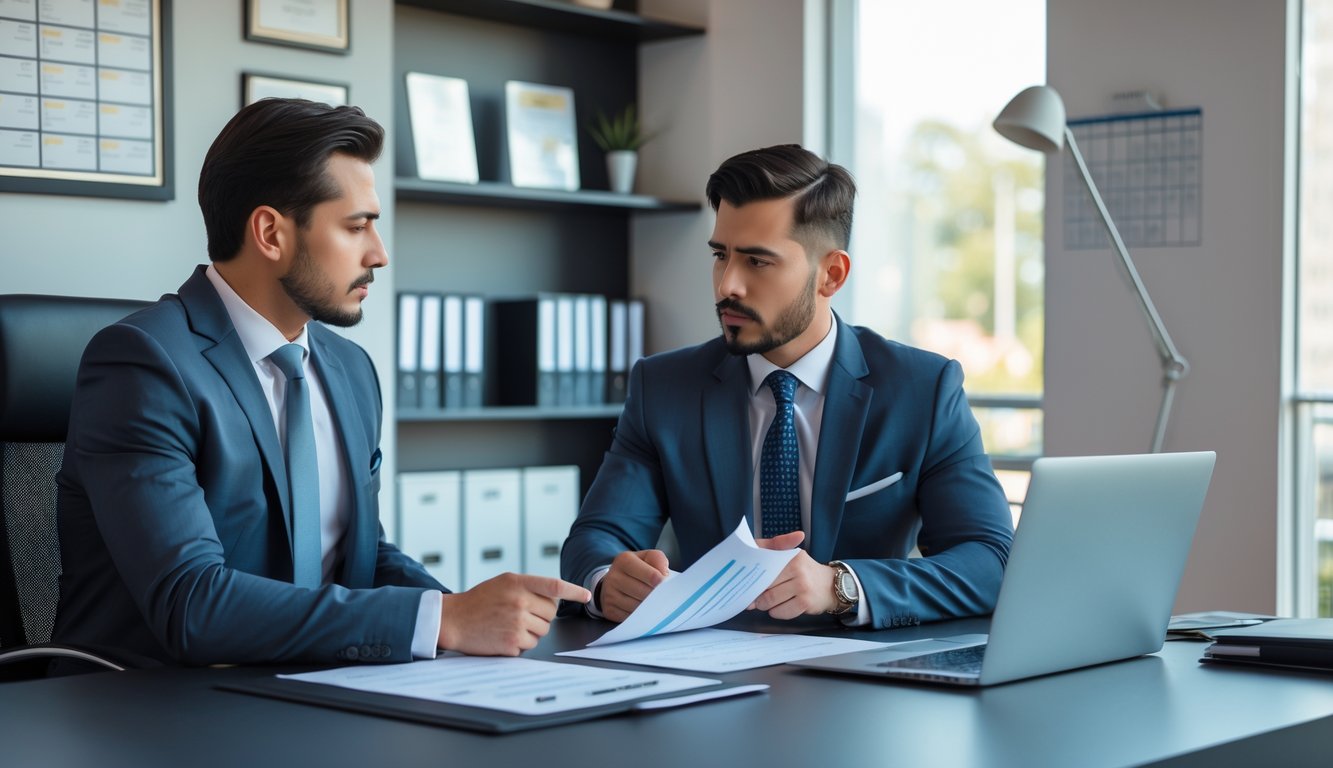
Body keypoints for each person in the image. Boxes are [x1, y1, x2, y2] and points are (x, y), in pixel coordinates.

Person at [52, 99, 588, 667]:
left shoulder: (350, 370)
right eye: (356, 226)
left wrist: (462, 611)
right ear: (270, 233)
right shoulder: (143, 365)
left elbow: (362, 558)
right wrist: (441, 622)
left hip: (307, 690)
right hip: (146, 708)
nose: (379, 254)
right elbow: (191, 603)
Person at [561, 144, 1014, 629]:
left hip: (863, 679)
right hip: (707, 671)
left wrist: (841, 586)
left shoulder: (923, 390)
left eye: (757, 262)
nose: (726, 285)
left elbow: (990, 560)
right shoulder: (663, 388)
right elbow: (597, 537)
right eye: (721, 255)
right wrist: (610, 581)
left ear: (831, 275)